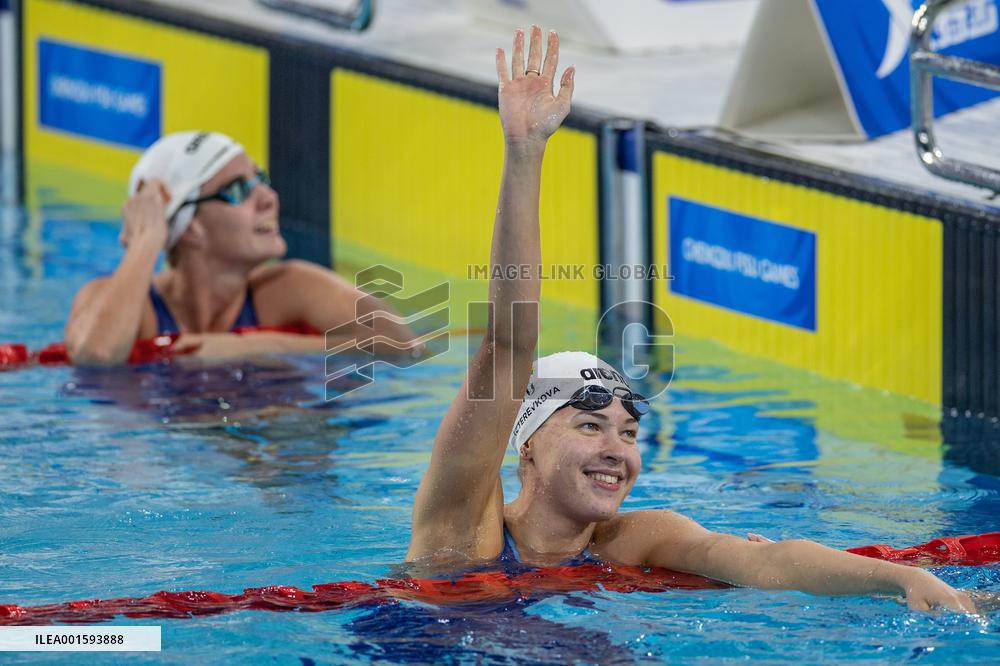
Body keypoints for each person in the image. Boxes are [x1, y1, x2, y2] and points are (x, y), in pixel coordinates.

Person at [406, 26, 977, 614]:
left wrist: (907, 580)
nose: (616, 449)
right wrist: (525, 152)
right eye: (588, 425)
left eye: (628, 433)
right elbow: (509, 342)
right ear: (525, 443)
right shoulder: (464, 524)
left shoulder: (635, 539)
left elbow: (767, 561)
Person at [65, 131, 416, 366]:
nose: (268, 198)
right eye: (237, 191)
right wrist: (146, 240)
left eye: (260, 180)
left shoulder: (286, 288)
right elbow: (96, 354)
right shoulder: (128, 306)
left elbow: (406, 346)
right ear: (191, 229)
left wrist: (261, 346)